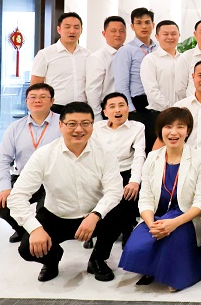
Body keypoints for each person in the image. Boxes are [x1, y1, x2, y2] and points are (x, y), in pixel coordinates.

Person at [8, 102, 124, 282]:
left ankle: (97, 259)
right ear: (60, 126)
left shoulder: (105, 152)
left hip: (92, 216)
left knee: (121, 213)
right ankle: (52, 259)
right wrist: (35, 229)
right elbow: (16, 197)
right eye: (72, 124)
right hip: (57, 215)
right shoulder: (44, 154)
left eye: (86, 123)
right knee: (26, 249)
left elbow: (114, 191)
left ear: (93, 125)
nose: (79, 129)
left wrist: (95, 215)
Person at [119, 107, 201, 291]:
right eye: (168, 126)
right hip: (157, 216)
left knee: (173, 240)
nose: (173, 132)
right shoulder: (153, 157)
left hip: (186, 218)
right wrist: (151, 224)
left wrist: (174, 223)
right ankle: (154, 266)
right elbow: (145, 198)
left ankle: (179, 273)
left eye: (180, 127)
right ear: (160, 130)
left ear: (188, 131)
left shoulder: (199, 158)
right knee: (135, 246)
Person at [0, 83, 60, 243]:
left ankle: (39, 233)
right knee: (1, 206)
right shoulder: (15, 127)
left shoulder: (62, 124)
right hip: (24, 177)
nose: (37, 100)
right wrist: (5, 188)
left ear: (52, 101)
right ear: (26, 101)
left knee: (44, 212)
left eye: (43, 97)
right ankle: (24, 231)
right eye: (33, 97)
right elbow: (3, 159)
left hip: (54, 179)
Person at [92, 92, 146, 244]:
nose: (117, 110)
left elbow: (139, 155)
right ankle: (96, 229)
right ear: (105, 112)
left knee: (129, 193)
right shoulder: (97, 128)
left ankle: (127, 231)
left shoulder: (137, 127)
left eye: (121, 105)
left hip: (125, 171)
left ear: (128, 108)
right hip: (102, 172)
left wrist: (135, 181)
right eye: (112, 106)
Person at [30, 12, 90, 112]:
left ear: (81, 30)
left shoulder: (87, 54)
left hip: (82, 108)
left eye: (76, 27)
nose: (72, 31)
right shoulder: (45, 54)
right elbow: (35, 86)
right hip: (55, 108)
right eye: (67, 27)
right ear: (59, 29)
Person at [140, 20, 182, 151]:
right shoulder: (150, 59)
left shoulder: (184, 59)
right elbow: (151, 90)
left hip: (183, 116)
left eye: (173, 34)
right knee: (158, 155)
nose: (170, 37)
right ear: (157, 37)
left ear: (179, 36)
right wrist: (171, 109)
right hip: (159, 115)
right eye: (165, 34)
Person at [112, 7, 157, 124]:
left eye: (147, 22)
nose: (144, 26)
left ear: (153, 25)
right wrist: (131, 109)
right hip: (138, 103)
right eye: (139, 23)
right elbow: (121, 85)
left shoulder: (159, 48)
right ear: (132, 26)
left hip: (158, 102)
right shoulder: (126, 50)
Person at [85, 15, 127, 117]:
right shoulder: (97, 57)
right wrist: (97, 116)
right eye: (113, 31)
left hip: (128, 108)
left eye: (121, 31)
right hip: (107, 109)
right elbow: (93, 89)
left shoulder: (129, 54)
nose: (118, 34)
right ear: (104, 34)